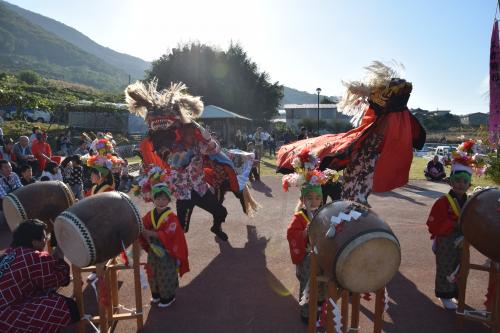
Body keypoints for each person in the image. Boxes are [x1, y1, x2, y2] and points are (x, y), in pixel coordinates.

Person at [277, 61, 426, 206]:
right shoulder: (387, 120)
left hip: (364, 167)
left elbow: (412, 136)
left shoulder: (397, 117)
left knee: (353, 200)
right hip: (360, 165)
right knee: (351, 200)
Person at [0, 219, 80, 332]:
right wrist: (61, 247)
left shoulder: (9, 253)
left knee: (43, 290)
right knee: (67, 307)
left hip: (7, 305)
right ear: (34, 242)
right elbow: (62, 277)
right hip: (5, 318)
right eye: (43, 238)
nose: (45, 240)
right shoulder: (31, 257)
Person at [283, 150, 328, 323]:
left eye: (318, 198)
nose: (314, 201)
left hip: (322, 254)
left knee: (324, 280)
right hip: (307, 257)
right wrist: (304, 232)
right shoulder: (299, 217)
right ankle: (305, 312)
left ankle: (321, 303)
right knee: (308, 282)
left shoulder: (324, 213)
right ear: (303, 199)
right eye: (310, 198)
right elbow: (291, 234)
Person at [139, 172, 189, 308]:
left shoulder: (171, 217)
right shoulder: (150, 214)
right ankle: (156, 294)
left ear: (168, 200)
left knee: (165, 274)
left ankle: (168, 297)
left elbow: (172, 233)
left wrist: (151, 233)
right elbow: (142, 224)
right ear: (153, 199)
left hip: (167, 251)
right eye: (158, 198)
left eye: (164, 199)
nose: (161, 201)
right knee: (152, 272)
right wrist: (141, 229)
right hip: (153, 250)